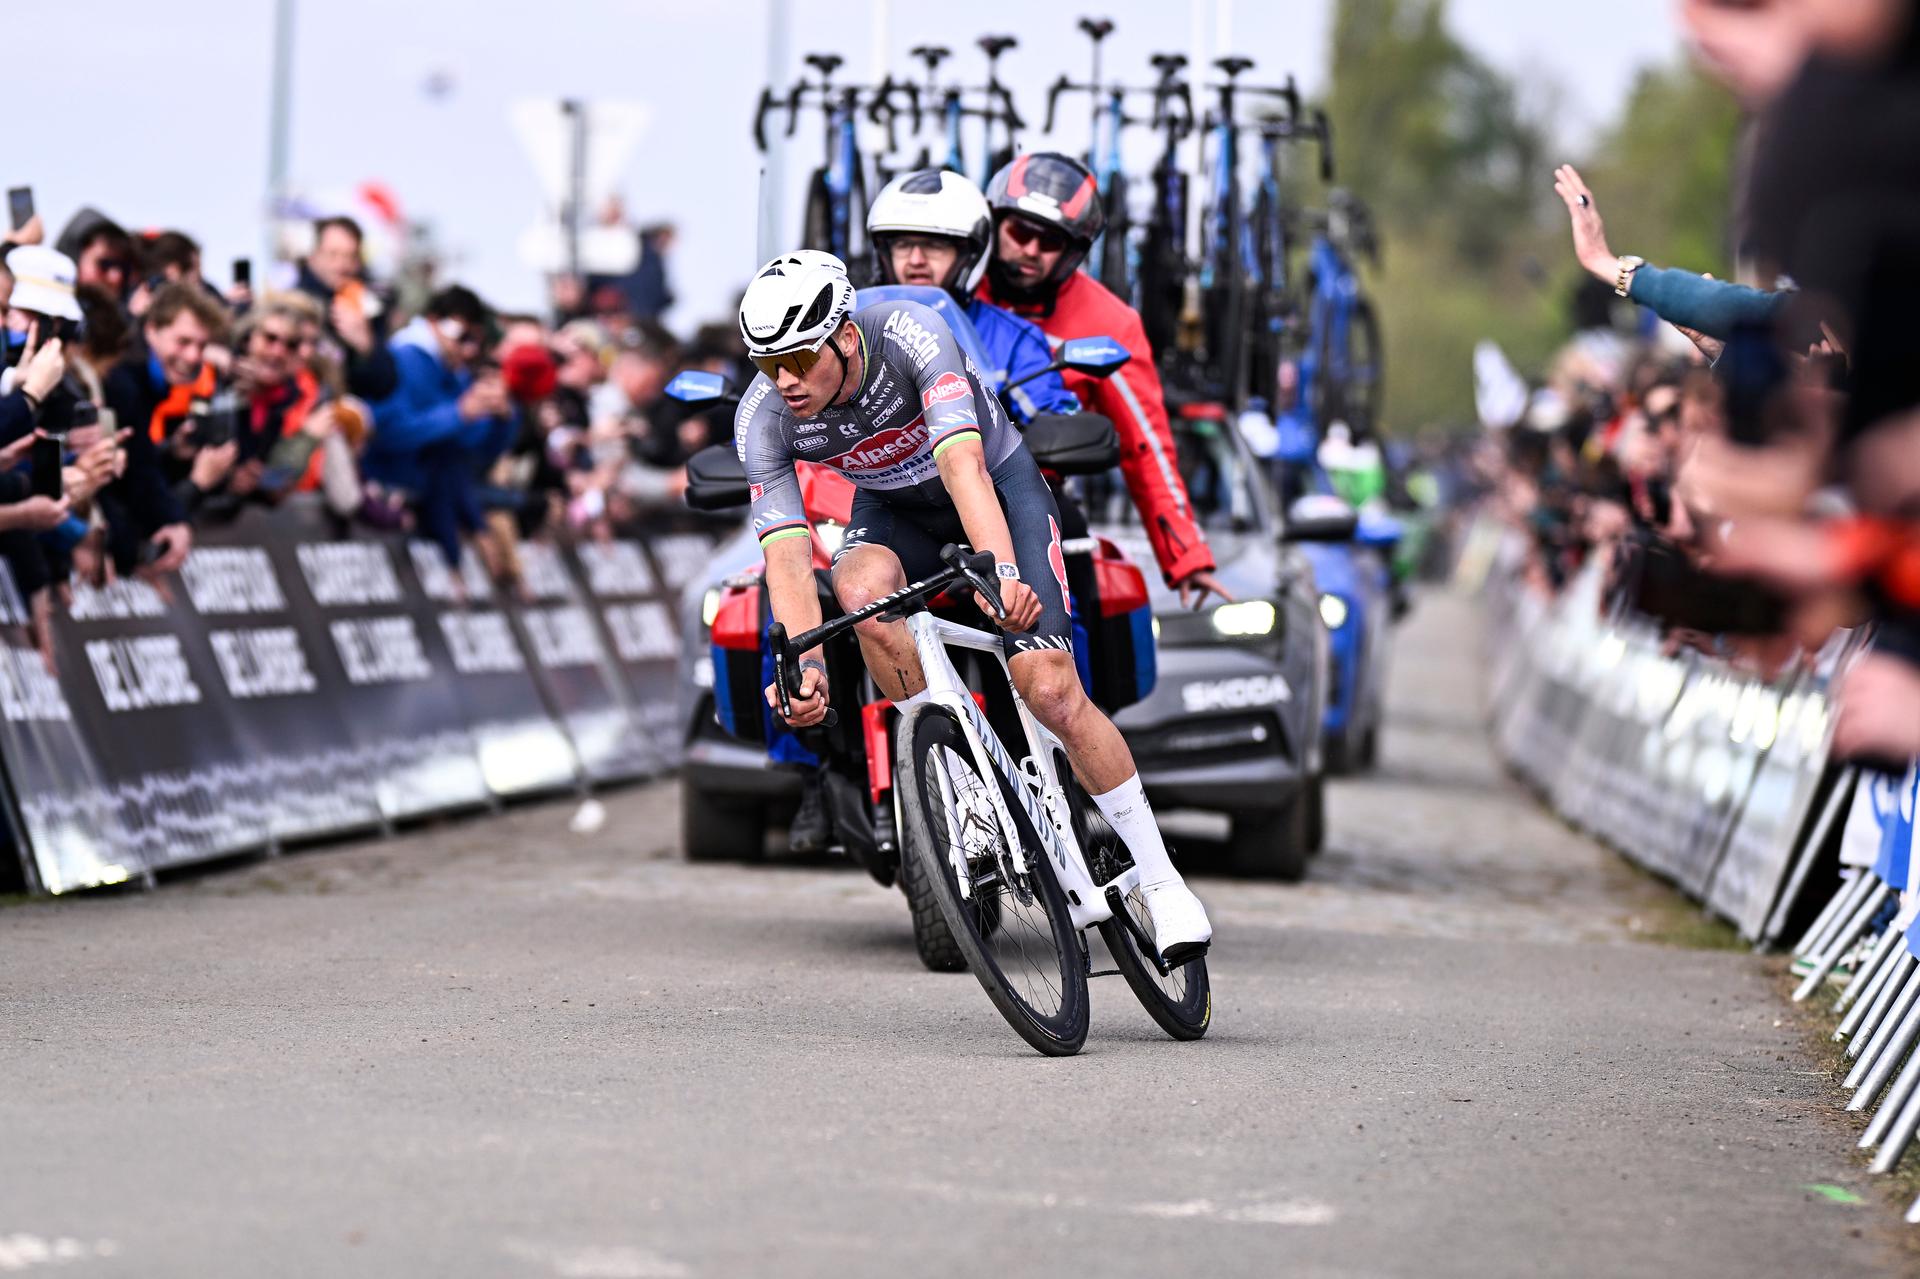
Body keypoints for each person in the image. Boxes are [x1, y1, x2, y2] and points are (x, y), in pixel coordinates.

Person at [735, 250, 1212, 959]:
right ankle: (960, 782)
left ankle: (1164, 880)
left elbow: (964, 467)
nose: (785, 381)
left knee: (1050, 691)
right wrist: (805, 665)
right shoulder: (764, 417)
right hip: (898, 514)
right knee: (861, 591)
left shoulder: (911, 334)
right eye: (767, 363)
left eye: (799, 360)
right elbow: (787, 558)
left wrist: (1005, 574)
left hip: (996, 492)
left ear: (842, 334)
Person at [977, 152, 1229, 607]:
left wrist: (1187, 556)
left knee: (1081, 604)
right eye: (1019, 232)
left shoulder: (1110, 321)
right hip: (930, 491)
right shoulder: (954, 291)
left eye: (1050, 241)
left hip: (1038, 498)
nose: (1031, 250)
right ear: (993, 225)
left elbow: (1146, 444)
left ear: (1075, 251)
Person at [866, 168, 1081, 425]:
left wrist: (1065, 429)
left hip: (977, 463)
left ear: (969, 256)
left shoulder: (1013, 339)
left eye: (934, 246)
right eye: (902, 245)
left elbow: (1050, 413)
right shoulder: (852, 328)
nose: (915, 260)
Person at [365, 285, 517, 569]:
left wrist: (501, 418)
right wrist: (459, 413)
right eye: (463, 337)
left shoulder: (454, 371)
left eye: (477, 341)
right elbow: (388, 434)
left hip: (432, 502)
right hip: (391, 500)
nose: (469, 349)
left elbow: (475, 452)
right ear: (434, 322)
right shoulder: (404, 358)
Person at [296, 216, 398, 402]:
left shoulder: (368, 307)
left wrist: (366, 345)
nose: (341, 265)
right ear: (314, 256)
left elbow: (385, 384)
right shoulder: (293, 306)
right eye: (333, 254)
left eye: (349, 256)